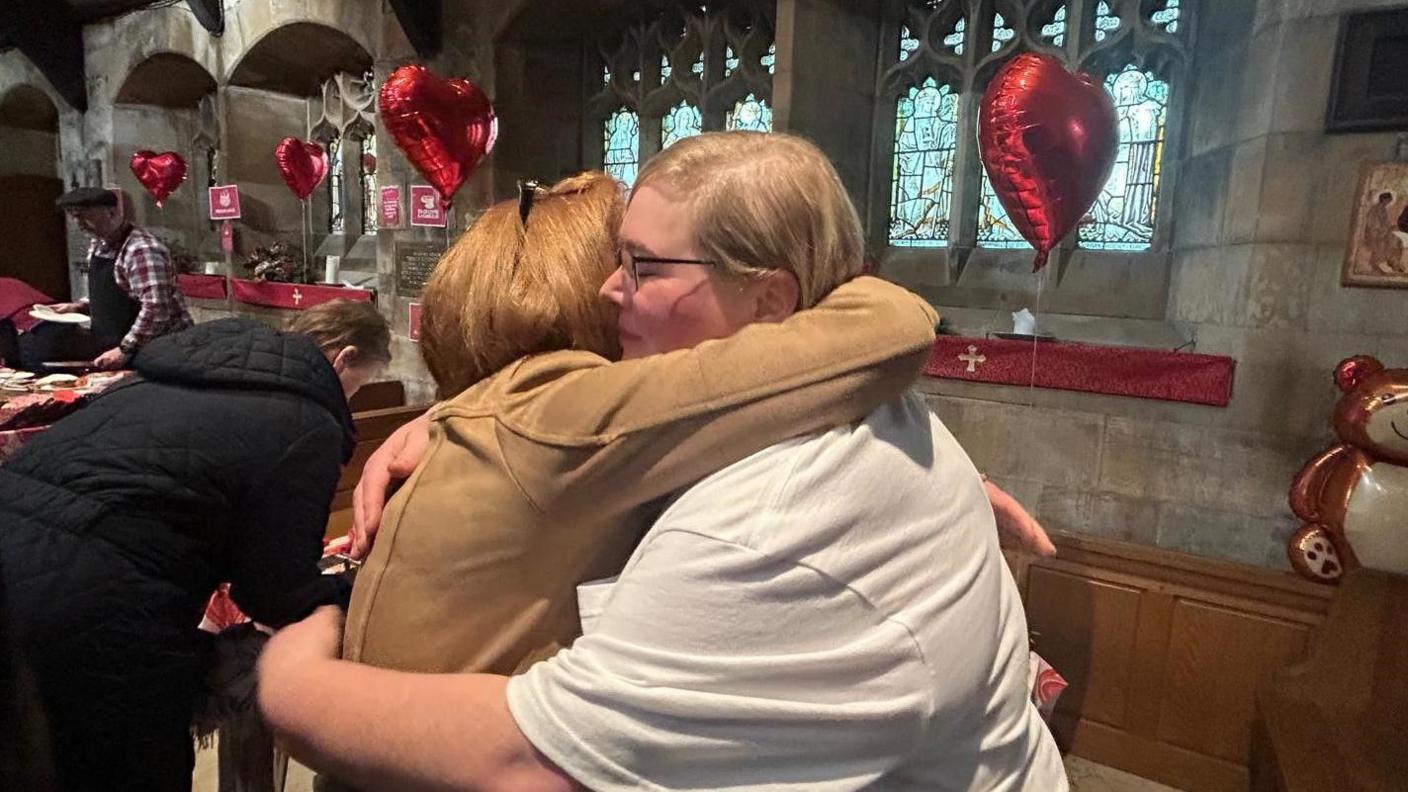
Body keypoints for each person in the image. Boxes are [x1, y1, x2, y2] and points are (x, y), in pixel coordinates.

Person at [259, 132, 1065, 790]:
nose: (612, 291)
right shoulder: (829, 404)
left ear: (772, 304)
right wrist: (463, 418)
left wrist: (292, 680)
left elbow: (533, 763)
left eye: (643, 266)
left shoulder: (760, 527)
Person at [339, 171, 937, 680]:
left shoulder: (501, 411)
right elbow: (890, 327)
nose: (621, 285)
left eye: (640, 266)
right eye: (632, 265)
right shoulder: (568, 407)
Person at [0, 300, 390, 792]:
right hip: (94, 610)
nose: (350, 401)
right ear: (342, 359)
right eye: (359, 386)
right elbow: (273, 589)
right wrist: (346, 596)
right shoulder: (304, 418)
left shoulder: (160, 377)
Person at [47, 187, 193, 370]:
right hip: (119, 349)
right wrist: (79, 306)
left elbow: (156, 310)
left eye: (85, 215)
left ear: (112, 212)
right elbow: (114, 292)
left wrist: (125, 349)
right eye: (74, 216)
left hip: (160, 352)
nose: (79, 223)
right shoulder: (99, 243)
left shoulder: (141, 250)